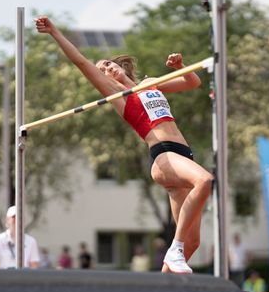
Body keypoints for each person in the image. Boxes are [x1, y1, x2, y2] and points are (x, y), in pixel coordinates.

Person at [35, 17, 212, 274]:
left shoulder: (148, 83)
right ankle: (174, 249)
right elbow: (80, 62)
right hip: (164, 156)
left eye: (108, 63)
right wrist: (54, 32)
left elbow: (192, 83)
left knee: (193, 242)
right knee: (205, 181)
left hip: (183, 155)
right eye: (102, 69)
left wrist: (181, 66)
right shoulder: (117, 95)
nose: (106, 68)